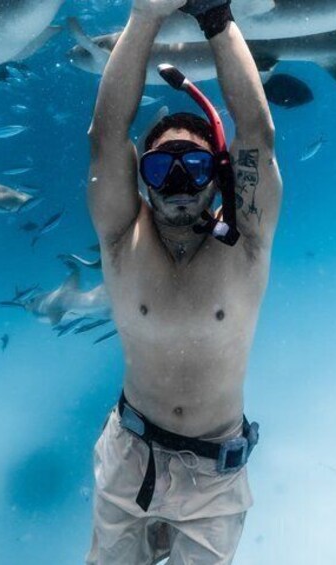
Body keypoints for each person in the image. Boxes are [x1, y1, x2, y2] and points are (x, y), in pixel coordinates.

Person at [85, 0, 282, 562]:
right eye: (159, 167)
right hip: (127, 459)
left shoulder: (247, 242)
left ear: (218, 177)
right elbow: (106, 137)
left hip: (214, 478)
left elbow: (256, 135)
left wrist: (216, 17)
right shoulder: (121, 236)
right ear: (141, 178)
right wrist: (145, 14)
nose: (176, 183)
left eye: (193, 168)